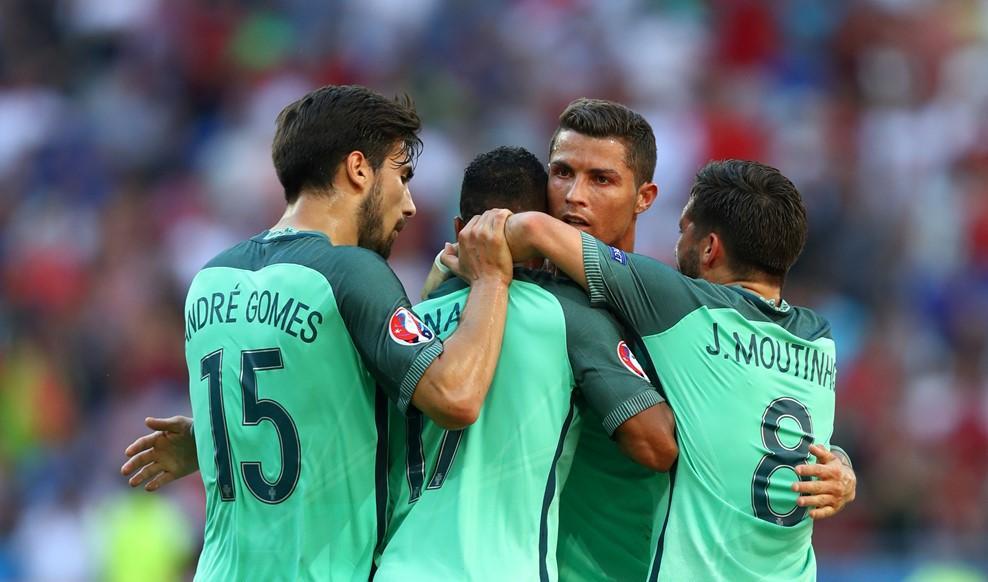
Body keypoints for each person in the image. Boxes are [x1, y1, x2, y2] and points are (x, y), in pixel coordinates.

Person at [126, 84, 516, 581]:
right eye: (401, 176)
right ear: (358, 169)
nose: (410, 205)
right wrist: (491, 280)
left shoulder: (209, 279)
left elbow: (298, 401)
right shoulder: (348, 271)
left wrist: (212, 443)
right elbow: (456, 396)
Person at [499, 158, 842, 580]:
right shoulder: (820, 340)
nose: (678, 244)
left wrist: (464, 253)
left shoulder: (683, 305)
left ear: (710, 248)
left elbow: (534, 228)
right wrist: (843, 468)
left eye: (683, 231)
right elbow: (792, 444)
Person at [374, 146, 675, 581]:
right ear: (544, 231)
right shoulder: (567, 315)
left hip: (398, 566)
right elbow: (656, 445)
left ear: (459, 229)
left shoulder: (410, 321)